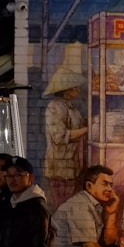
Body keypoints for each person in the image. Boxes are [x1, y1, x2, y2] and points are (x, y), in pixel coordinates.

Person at [43, 65, 88, 211]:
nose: (77, 90)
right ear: (66, 90)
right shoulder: (55, 107)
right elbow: (60, 136)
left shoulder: (70, 107)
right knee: (61, 205)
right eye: (75, 87)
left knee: (70, 205)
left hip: (72, 164)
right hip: (59, 168)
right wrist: (87, 129)